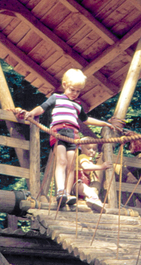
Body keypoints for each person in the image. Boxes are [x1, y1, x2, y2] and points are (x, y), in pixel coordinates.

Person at [14, 69, 116, 208]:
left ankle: (67, 194)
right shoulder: (56, 98)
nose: (75, 93)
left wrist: (104, 123)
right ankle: (60, 191)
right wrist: (31, 113)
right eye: (72, 90)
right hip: (59, 133)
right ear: (64, 85)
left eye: (78, 91)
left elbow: (85, 119)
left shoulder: (77, 105)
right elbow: (42, 108)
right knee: (61, 161)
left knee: (71, 166)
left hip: (73, 136)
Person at [73, 138, 111, 212]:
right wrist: (101, 167)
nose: (92, 151)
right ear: (82, 149)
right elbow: (85, 167)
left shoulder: (88, 159)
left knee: (88, 190)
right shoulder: (82, 157)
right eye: (88, 148)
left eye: (94, 149)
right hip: (77, 183)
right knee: (89, 191)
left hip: (82, 183)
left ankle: (90, 200)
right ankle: (95, 200)